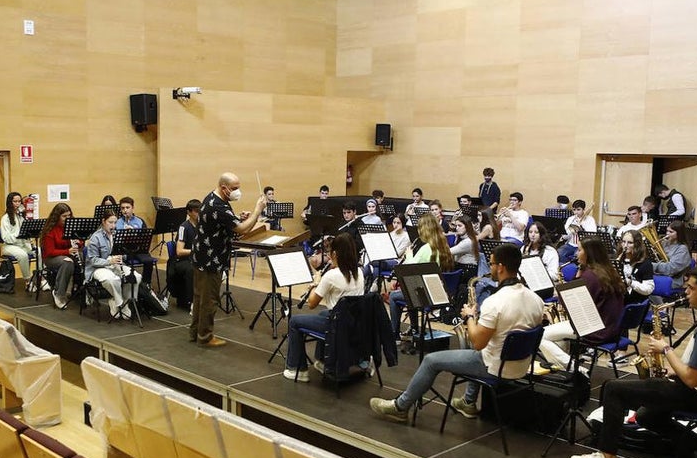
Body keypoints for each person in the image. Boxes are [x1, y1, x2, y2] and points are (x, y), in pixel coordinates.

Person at [571, 265, 697, 458]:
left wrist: (666, 349)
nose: (686, 292)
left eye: (691, 288)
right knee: (646, 416)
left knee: (613, 389)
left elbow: (691, 379)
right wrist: (676, 370)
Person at [370, 244, 543, 422]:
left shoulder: (495, 302)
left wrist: (470, 317)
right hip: (521, 367)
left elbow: (478, 343)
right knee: (475, 350)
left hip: (495, 367)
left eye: (491, 264)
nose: (489, 268)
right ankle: (468, 402)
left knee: (431, 361)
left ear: (500, 267)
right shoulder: (536, 300)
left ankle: (400, 407)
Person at [190, 173, 267, 347]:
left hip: (201, 256)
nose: (237, 192)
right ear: (224, 188)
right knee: (209, 300)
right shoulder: (219, 206)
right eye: (234, 188)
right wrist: (257, 210)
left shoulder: (212, 198)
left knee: (200, 297)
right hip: (211, 259)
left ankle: (196, 332)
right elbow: (242, 230)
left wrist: (238, 218)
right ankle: (205, 337)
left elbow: (223, 222)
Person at [283, 233, 366, 381]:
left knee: (294, 321)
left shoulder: (331, 276)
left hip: (337, 326)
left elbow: (311, 304)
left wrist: (316, 283)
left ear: (335, 254)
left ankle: (297, 369)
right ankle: (323, 361)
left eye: (329, 253)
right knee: (324, 314)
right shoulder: (359, 272)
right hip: (353, 323)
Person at [539, 238, 625, 371]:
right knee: (557, 338)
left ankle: (576, 369)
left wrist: (562, 293)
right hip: (612, 328)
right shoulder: (608, 272)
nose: (576, 254)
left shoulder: (590, 277)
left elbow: (573, 305)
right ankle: (563, 368)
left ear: (589, 253)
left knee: (540, 336)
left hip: (594, 330)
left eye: (579, 250)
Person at [389, 215, 454, 338]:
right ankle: (414, 329)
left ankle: (394, 334)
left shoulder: (426, 248)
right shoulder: (444, 246)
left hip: (426, 295)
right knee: (410, 289)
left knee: (393, 296)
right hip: (439, 292)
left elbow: (409, 269)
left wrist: (409, 255)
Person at [85, 211, 139, 320]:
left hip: (115, 265)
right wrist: (109, 262)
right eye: (110, 222)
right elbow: (93, 260)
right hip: (98, 267)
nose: (113, 226)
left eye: (115, 222)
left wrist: (123, 256)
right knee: (112, 279)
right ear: (103, 221)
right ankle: (119, 302)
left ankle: (124, 302)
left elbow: (126, 254)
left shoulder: (117, 235)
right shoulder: (96, 237)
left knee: (136, 277)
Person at [41, 202, 80, 309]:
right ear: (57, 217)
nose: (67, 218)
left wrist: (79, 242)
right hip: (51, 258)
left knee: (85, 257)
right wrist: (67, 251)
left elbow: (79, 242)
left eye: (69, 215)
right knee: (67, 263)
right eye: (64, 216)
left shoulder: (71, 226)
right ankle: (59, 293)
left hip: (67, 254)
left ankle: (80, 290)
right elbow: (50, 252)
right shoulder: (50, 230)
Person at [0, 191, 39, 292]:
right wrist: (20, 234)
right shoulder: (5, 218)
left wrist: (28, 236)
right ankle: (28, 280)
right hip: (9, 246)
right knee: (22, 255)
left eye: (19, 201)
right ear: (10, 203)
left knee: (40, 251)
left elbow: (26, 233)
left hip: (22, 244)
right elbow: (6, 238)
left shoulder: (21, 216)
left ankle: (41, 278)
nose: (17, 204)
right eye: (15, 201)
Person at [114, 196, 157, 286]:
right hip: (123, 250)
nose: (125, 210)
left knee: (148, 261)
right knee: (119, 262)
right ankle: (126, 284)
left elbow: (146, 238)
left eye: (127, 207)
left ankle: (146, 284)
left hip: (138, 249)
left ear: (133, 208)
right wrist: (124, 233)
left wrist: (134, 233)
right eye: (122, 208)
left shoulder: (140, 221)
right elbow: (114, 239)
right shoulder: (117, 222)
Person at [166, 199, 200, 310]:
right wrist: (196, 251)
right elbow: (179, 251)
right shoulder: (183, 227)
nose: (199, 213)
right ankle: (192, 301)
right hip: (182, 260)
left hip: (196, 258)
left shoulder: (202, 226)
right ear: (189, 212)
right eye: (196, 211)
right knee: (192, 269)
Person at [617, 229, 655, 304]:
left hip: (635, 301)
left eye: (630, 243)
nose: (625, 246)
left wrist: (630, 282)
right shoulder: (618, 259)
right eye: (623, 242)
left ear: (637, 245)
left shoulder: (645, 263)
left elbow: (648, 289)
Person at [652, 221, 693, 291]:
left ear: (679, 234)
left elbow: (671, 269)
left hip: (673, 280)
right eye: (667, 231)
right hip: (660, 275)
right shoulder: (664, 243)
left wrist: (652, 266)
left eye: (671, 232)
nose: (667, 233)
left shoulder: (682, 249)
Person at [558, 199, 597, 264]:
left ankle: (575, 269)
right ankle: (565, 268)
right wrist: (571, 231)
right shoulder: (571, 219)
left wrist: (582, 226)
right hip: (570, 244)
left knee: (576, 257)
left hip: (583, 246)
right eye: (574, 210)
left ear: (583, 210)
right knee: (559, 253)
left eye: (578, 210)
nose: (576, 212)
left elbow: (592, 235)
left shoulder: (590, 220)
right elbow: (565, 235)